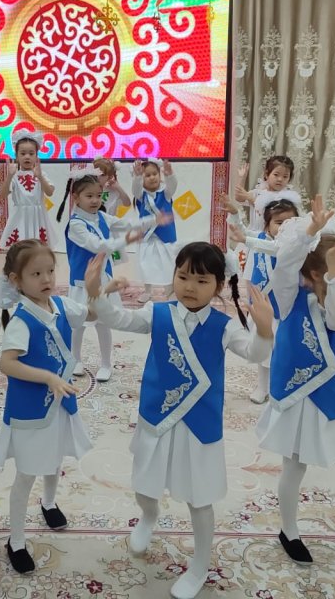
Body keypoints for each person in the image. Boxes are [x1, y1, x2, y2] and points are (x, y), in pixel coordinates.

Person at [86, 244, 273, 599]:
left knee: (199, 499)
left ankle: (200, 565)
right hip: (157, 414)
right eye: (183, 276)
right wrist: (95, 291)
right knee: (144, 485)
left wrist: (264, 330)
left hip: (198, 424)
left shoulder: (224, 327)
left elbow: (254, 353)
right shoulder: (157, 313)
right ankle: (149, 516)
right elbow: (118, 319)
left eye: (201, 280)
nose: (189, 286)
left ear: (218, 286)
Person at [255, 199, 335, 564]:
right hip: (294, 397)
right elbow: (284, 268)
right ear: (312, 274)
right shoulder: (290, 299)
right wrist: (308, 232)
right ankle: (289, 530)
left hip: (326, 397)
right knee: (293, 467)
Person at [0, 240, 93, 573]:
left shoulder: (59, 304)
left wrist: (98, 291)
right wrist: (48, 377)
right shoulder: (20, 321)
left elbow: (90, 313)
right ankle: (16, 540)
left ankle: (48, 503)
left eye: (50, 270)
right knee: (27, 473)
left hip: (60, 403)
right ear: (16, 280)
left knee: (55, 456)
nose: (46, 278)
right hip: (31, 410)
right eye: (36, 274)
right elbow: (7, 364)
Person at [57, 168, 165, 382]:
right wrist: (127, 240)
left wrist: (152, 220)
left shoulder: (102, 217)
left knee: (103, 322)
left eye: (98, 195)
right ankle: (75, 359)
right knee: (78, 323)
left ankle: (106, 363)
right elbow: (98, 245)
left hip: (104, 280)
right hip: (81, 283)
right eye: (89, 196)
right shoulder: (76, 225)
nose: (95, 200)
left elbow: (125, 223)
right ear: (76, 197)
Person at [228, 198, 301, 404]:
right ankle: (262, 386)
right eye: (279, 223)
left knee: (285, 349)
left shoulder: (295, 247)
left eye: (291, 223)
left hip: (286, 308)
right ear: (267, 225)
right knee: (265, 350)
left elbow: (276, 249)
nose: (285, 228)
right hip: (263, 306)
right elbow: (242, 231)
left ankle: (285, 383)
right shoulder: (259, 238)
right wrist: (234, 212)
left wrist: (247, 239)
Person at [131, 158, 178, 304]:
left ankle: (170, 290)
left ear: (159, 175)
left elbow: (173, 185)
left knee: (168, 264)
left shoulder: (166, 194)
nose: (152, 177)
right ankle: (147, 291)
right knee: (147, 265)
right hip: (147, 237)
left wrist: (170, 175)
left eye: (154, 174)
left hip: (166, 237)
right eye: (147, 175)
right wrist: (137, 177)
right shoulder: (141, 196)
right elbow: (135, 189)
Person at [0, 129, 55, 249]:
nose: (27, 157)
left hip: (38, 216)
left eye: (31, 153)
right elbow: (3, 195)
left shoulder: (41, 174)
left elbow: (50, 192)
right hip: (20, 216)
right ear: (17, 156)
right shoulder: (14, 176)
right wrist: (9, 176)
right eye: (23, 153)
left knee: (38, 247)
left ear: (36, 156)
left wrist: (40, 177)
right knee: (20, 247)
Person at [234, 155, 303, 234]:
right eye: (276, 175)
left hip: (272, 237)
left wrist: (251, 199)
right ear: (267, 174)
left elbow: (270, 210)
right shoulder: (258, 192)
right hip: (253, 234)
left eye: (285, 176)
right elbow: (239, 197)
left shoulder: (287, 197)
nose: (280, 179)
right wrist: (242, 178)